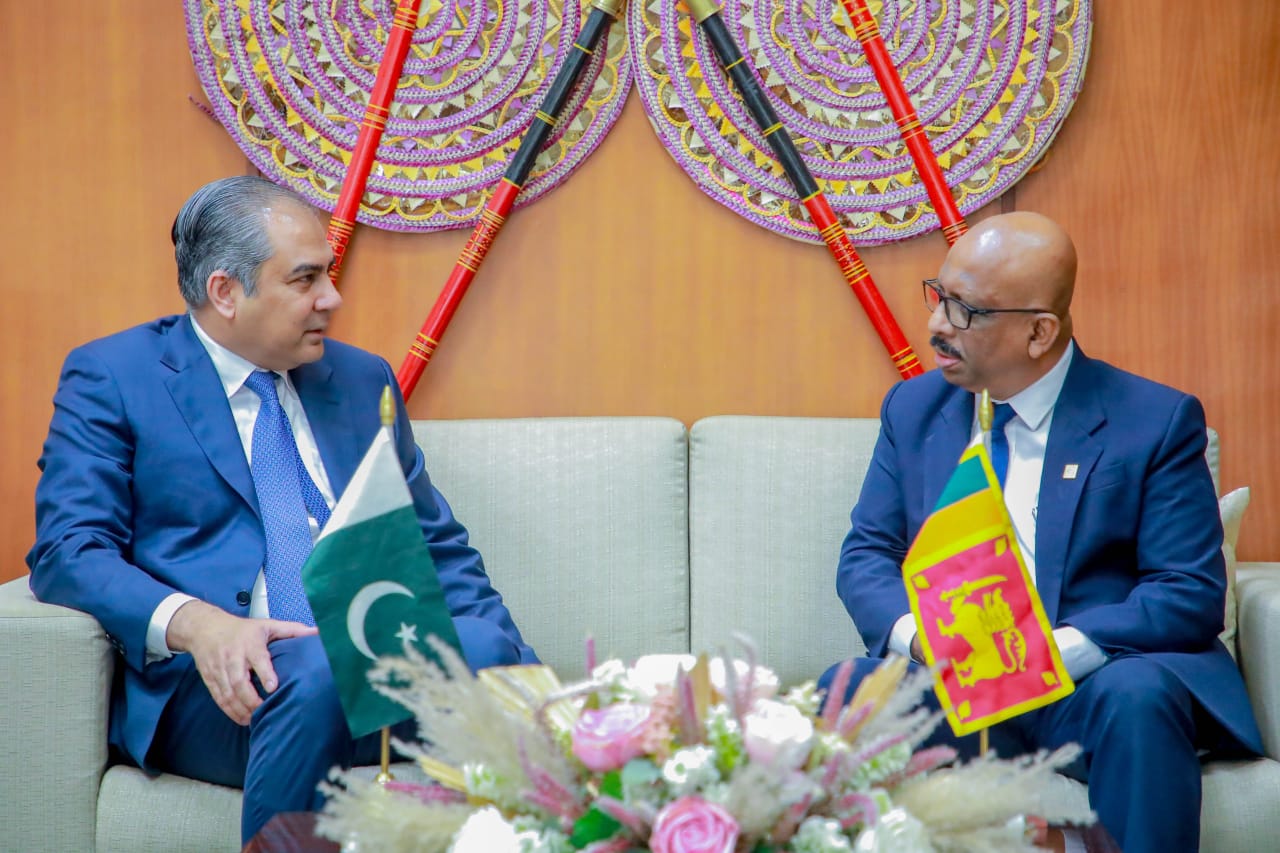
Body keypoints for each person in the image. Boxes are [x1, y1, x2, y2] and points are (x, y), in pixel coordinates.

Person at [26, 175, 539, 843]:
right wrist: (200, 625)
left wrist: (527, 681)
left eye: (327, 273)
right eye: (306, 279)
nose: (332, 297)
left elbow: (431, 543)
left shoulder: (361, 379)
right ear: (225, 292)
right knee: (317, 671)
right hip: (221, 688)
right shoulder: (116, 376)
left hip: (370, 664)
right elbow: (69, 550)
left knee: (488, 648)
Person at [823, 212, 1262, 852]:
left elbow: (1187, 590)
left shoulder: (1154, 420)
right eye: (938, 296)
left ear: (1039, 332)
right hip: (958, 685)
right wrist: (923, 642)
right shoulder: (914, 409)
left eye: (965, 310)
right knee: (844, 692)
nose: (937, 324)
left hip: (1094, 684)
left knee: (1139, 696)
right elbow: (867, 555)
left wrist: (1057, 653)